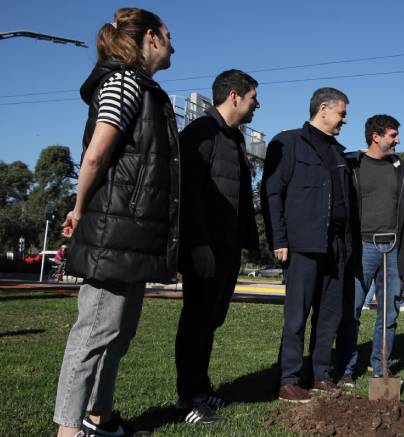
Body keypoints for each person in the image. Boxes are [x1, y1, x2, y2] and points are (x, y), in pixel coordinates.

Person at [53, 8, 177, 437]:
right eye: (167, 35)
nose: (173, 45)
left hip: (133, 232)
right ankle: (68, 431)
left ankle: (99, 419)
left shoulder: (142, 86)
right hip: (113, 230)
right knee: (93, 333)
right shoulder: (123, 81)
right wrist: (79, 206)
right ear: (150, 38)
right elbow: (96, 153)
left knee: (118, 335)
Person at [174, 69, 261, 424]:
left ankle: (201, 387)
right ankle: (189, 399)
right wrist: (197, 244)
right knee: (196, 320)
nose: (258, 105)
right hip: (204, 248)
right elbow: (187, 192)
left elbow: (238, 196)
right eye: (254, 98)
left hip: (226, 247)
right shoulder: (200, 132)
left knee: (210, 321)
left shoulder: (235, 139)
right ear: (235, 96)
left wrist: (247, 243)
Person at [260, 87, 354, 403]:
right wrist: (280, 239)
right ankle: (288, 379)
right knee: (297, 316)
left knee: (329, 317)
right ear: (323, 108)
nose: (344, 119)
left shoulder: (339, 152)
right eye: (342, 113)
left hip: (336, 247)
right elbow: (272, 193)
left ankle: (319, 375)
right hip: (303, 244)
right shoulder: (287, 142)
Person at [335, 114, 404, 388]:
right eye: (393, 135)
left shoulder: (401, 170)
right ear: (376, 136)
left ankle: (380, 368)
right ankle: (346, 368)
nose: (398, 140)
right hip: (361, 248)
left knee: (390, 312)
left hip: (394, 249)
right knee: (352, 310)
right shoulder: (351, 164)